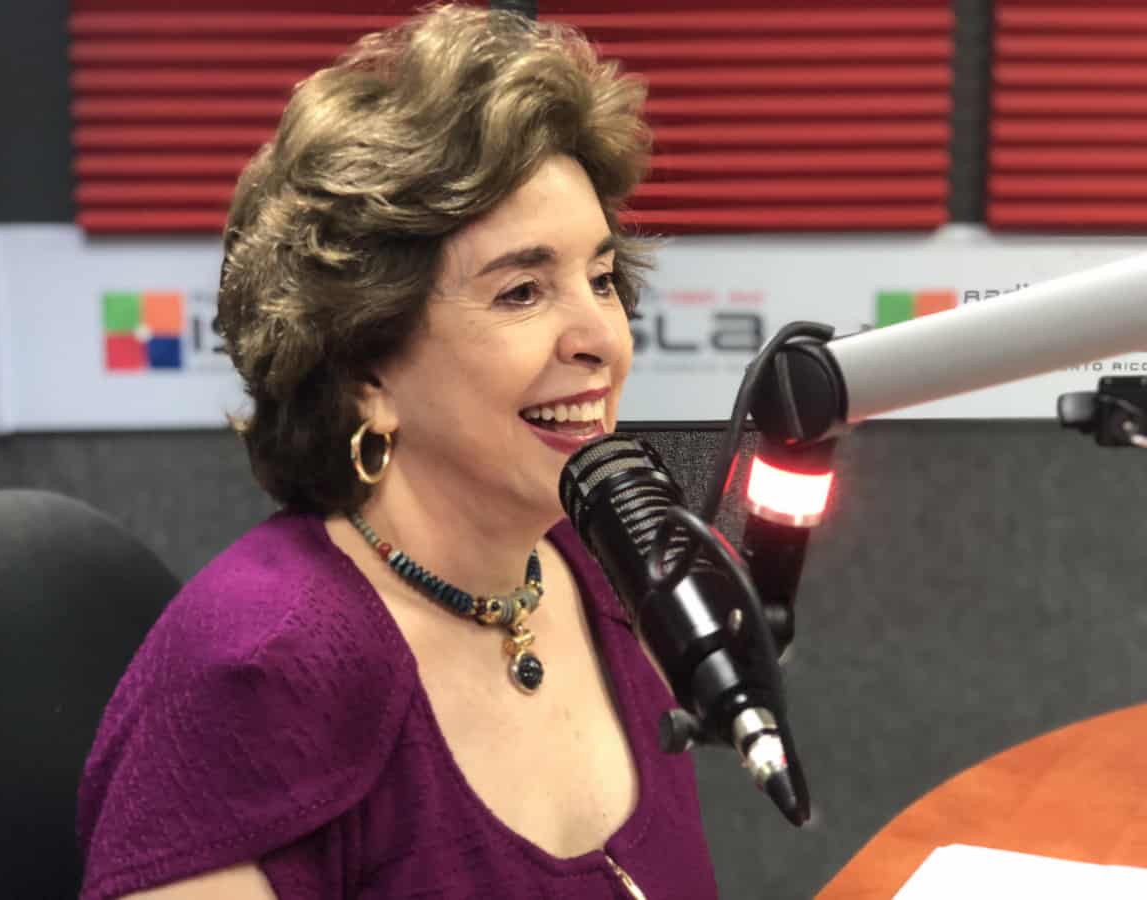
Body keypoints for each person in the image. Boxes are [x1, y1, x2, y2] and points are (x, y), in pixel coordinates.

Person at [77, 5, 719, 898]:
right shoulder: (258, 671)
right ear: (365, 370)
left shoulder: (612, 570)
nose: (603, 339)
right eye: (523, 291)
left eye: (602, 279)